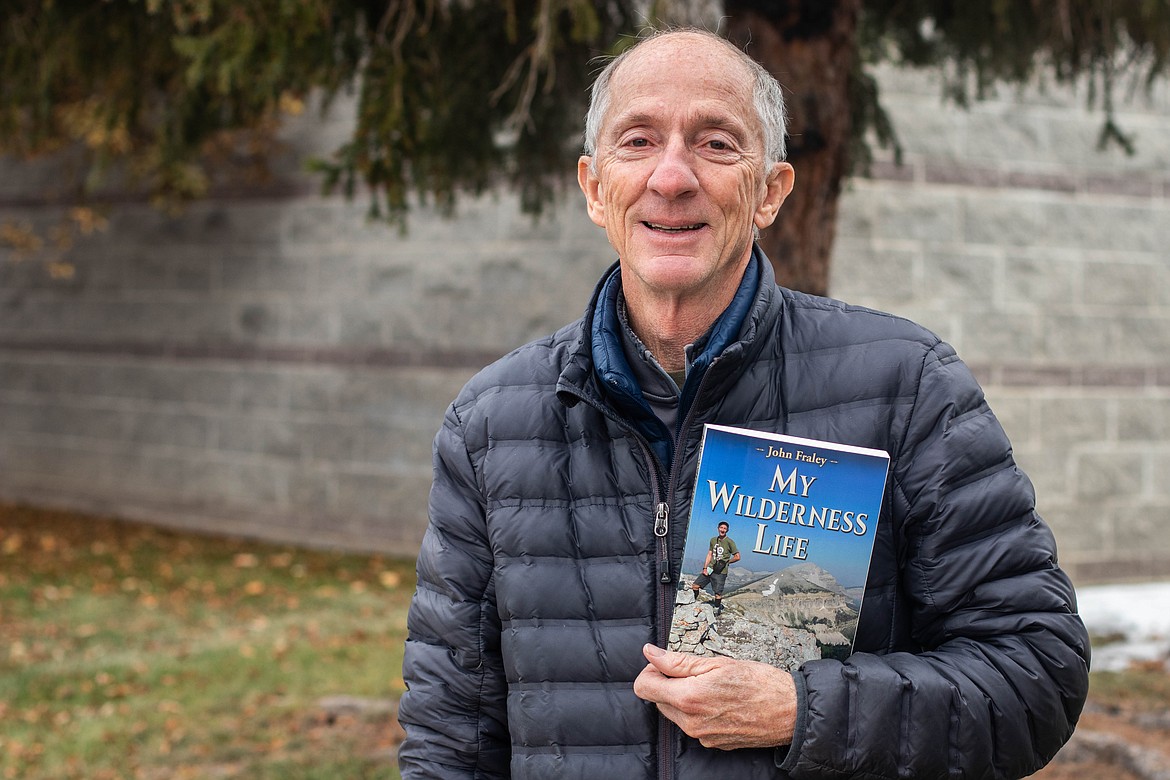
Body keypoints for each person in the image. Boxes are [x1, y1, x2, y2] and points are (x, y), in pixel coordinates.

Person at [398, 26, 1089, 780]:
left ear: (770, 192)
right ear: (595, 189)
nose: (671, 177)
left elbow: (1035, 677)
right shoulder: (493, 423)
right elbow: (448, 742)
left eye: (716, 144)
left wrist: (802, 710)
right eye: (637, 141)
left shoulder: (907, 386)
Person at [692, 521, 739, 613]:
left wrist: (727, 562)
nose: (722, 530)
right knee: (695, 585)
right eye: (721, 528)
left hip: (721, 571)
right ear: (718, 528)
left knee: (717, 593)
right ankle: (692, 602)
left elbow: (737, 556)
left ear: (727, 530)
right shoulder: (713, 540)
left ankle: (716, 609)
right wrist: (705, 568)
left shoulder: (730, 542)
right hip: (710, 568)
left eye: (725, 528)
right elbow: (710, 554)